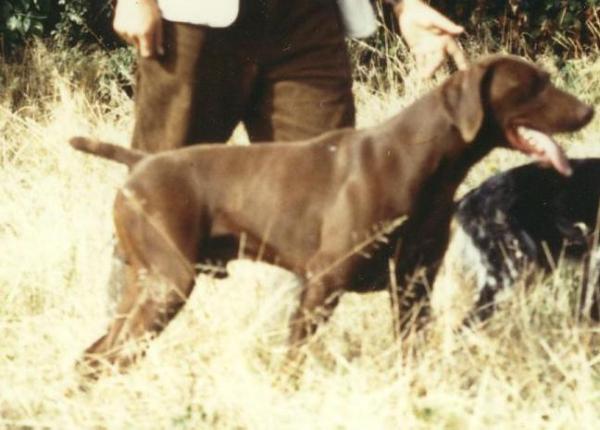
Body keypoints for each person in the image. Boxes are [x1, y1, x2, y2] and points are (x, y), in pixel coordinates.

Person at [112, 0, 468, 152]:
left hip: (305, 23)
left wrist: (407, 4)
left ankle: (292, 311)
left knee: (321, 193)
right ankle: (131, 308)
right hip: (194, 21)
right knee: (161, 186)